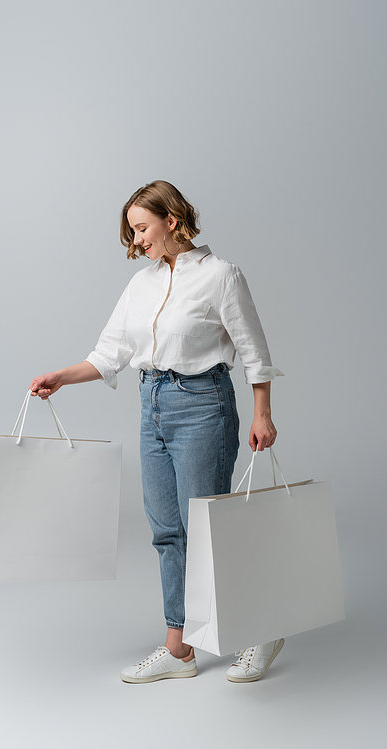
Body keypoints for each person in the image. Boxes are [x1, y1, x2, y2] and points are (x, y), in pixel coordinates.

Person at [30, 180, 284, 684]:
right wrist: (62, 376)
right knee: (168, 532)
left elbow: (254, 351)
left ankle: (262, 629)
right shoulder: (141, 284)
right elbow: (110, 354)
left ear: (172, 219)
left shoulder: (220, 276)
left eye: (142, 228)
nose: (137, 240)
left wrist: (262, 413)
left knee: (208, 531)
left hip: (202, 405)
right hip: (152, 407)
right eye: (132, 231)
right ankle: (180, 647)